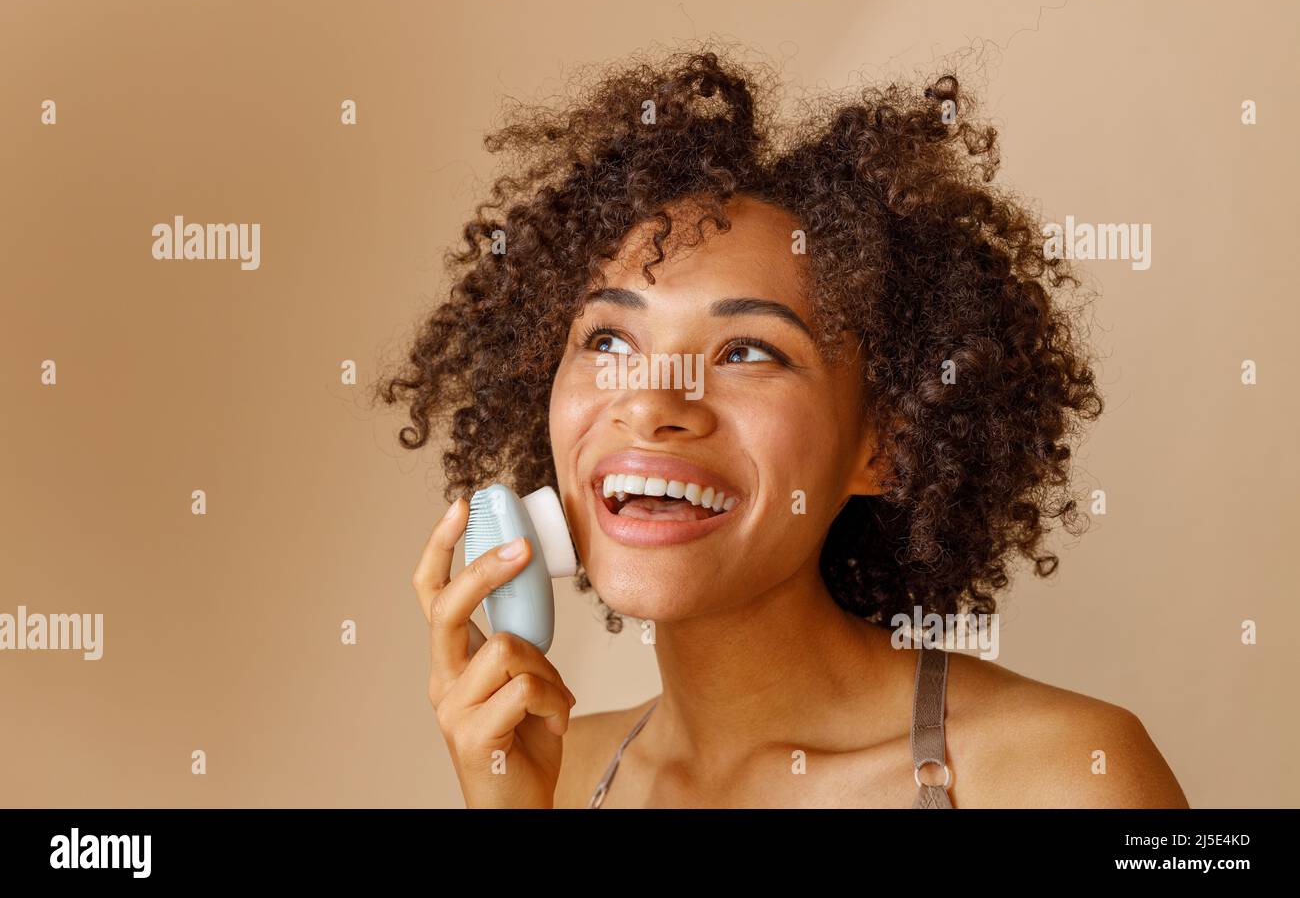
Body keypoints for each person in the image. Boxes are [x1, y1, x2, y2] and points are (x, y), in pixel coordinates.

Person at [381, 47, 1189, 808]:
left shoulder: (1068, 774)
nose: (653, 402)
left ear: (888, 444)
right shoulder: (552, 768)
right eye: (608, 340)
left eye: (747, 351)